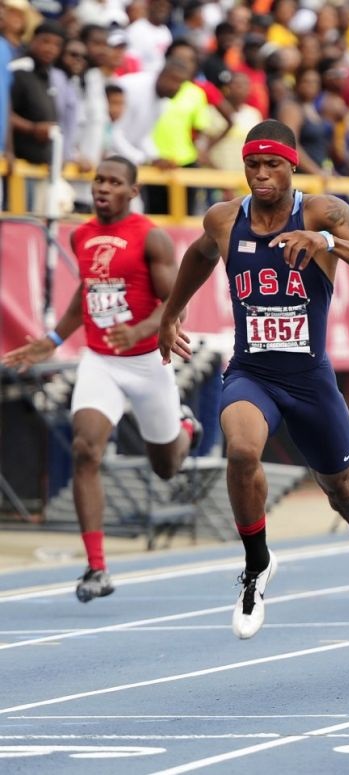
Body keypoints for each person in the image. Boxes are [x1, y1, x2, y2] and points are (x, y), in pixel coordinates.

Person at [158, 119, 349, 640]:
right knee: (241, 452)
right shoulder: (225, 218)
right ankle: (257, 565)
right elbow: (199, 256)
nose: (261, 175)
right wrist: (171, 313)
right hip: (253, 371)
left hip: (310, 378)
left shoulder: (322, 212)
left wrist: (328, 242)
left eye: (272, 164)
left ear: (293, 165)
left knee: (343, 490)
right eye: (252, 165)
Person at [2, 156, 202, 603]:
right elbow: (86, 291)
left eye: (114, 182)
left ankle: (185, 427)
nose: (103, 188)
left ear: (132, 192)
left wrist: (140, 329)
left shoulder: (151, 238)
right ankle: (96, 567)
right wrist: (53, 338)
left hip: (149, 362)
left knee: (166, 467)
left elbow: (177, 305)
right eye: (98, 180)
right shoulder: (82, 234)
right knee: (85, 449)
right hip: (101, 362)